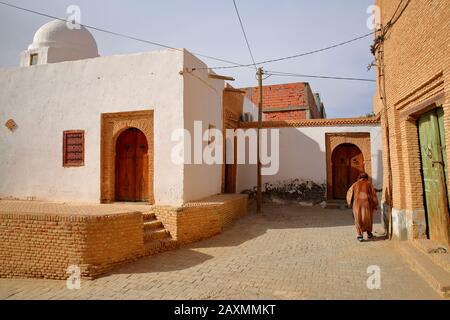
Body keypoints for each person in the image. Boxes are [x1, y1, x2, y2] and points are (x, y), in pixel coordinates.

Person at [346, 172, 379, 242]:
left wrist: (350, 203)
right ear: (366, 177)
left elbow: (349, 193)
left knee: (358, 219)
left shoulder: (355, 184)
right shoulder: (369, 184)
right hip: (367, 204)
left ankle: (360, 235)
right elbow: (374, 195)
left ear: (359, 177)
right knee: (368, 219)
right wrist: (376, 204)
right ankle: (369, 233)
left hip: (357, 205)